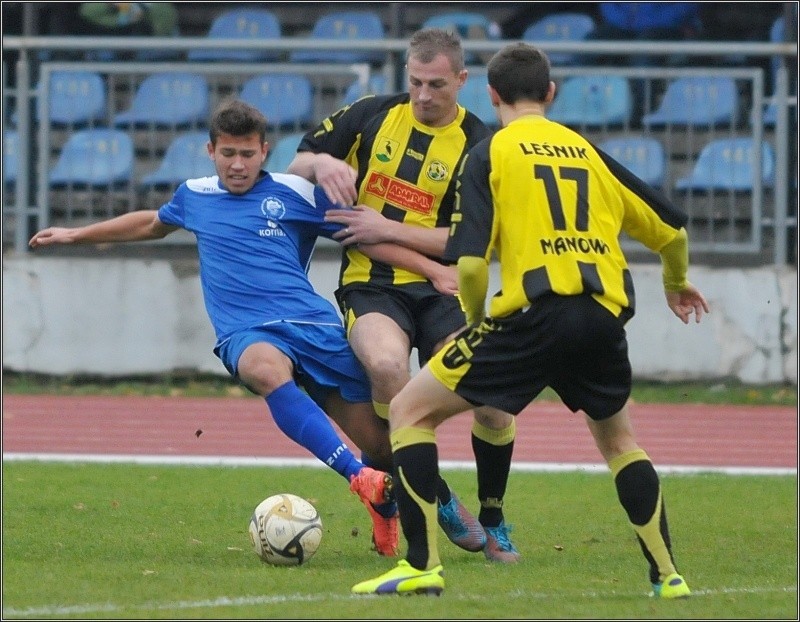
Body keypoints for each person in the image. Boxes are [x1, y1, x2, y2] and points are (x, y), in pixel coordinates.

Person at [351, 42, 710, 597]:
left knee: (408, 410)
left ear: (490, 95)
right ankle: (669, 576)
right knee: (619, 442)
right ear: (550, 93)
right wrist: (674, 282)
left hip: (536, 314)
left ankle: (421, 567)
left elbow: (470, 265)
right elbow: (672, 232)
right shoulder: (586, 149)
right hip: (602, 316)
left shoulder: (488, 151)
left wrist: (474, 322)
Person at [28, 98, 453, 558]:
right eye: (228, 153)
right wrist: (75, 234)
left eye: (247, 154)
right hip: (248, 330)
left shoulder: (295, 193)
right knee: (264, 368)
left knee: (384, 445)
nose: (237, 164)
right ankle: (358, 477)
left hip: (313, 326)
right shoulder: (195, 195)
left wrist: (429, 269)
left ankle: (395, 506)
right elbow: (151, 224)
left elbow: (365, 238)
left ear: (264, 152)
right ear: (211, 151)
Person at [287, 28, 520, 563]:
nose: (422, 95)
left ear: (462, 80)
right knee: (388, 367)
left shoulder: (481, 146)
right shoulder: (372, 113)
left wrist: (385, 228)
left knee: (492, 397)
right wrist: (321, 163)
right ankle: (433, 494)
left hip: (443, 288)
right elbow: (297, 163)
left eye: (436, 84)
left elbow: (472, 242)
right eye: (415, 82)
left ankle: (493, 514)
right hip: (371, 285)